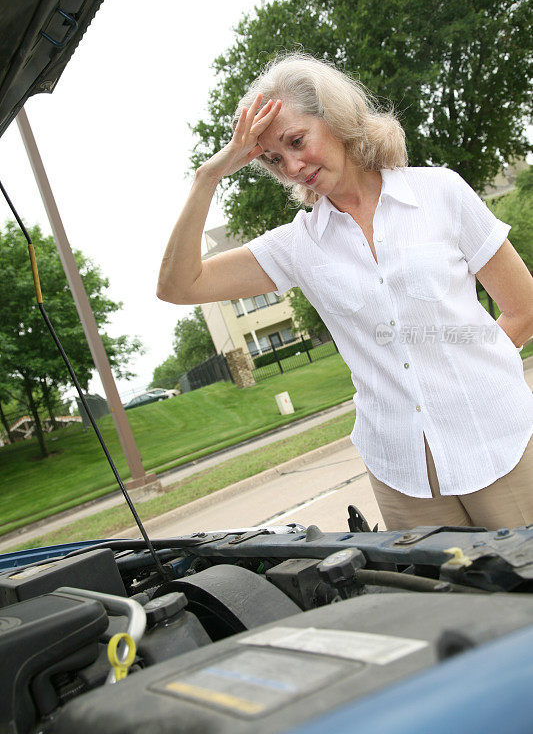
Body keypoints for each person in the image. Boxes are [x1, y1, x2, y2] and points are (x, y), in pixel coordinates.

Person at [157, 53, 533, 531]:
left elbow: (525, 308)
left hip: (498, 443)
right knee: (445, 605)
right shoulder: (297, 245)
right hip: (403, 475)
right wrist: (207, 177)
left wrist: (474, 377)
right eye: (273, 159)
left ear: (335, 119)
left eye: (297, 141)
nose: (292, 166)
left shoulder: (441, 192)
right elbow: (177, 285)